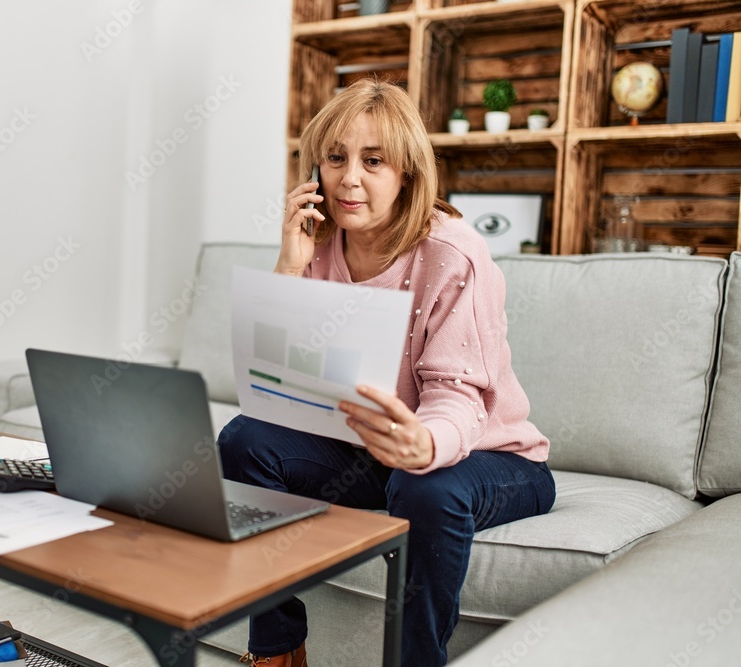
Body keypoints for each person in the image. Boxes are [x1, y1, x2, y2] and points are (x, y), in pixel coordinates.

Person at [219, 79, 556, 667]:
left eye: (373, 161)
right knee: (244, 439)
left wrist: (421, 442)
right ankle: (277, 651)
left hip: (492, 458)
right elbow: (270, 387)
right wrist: (288, 268)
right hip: (374, 450)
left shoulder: (453, 253)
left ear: (407, 171)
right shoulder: (317, 241)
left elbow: (459, 399)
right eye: (336, 157)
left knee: (424, 483)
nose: (350, 178)